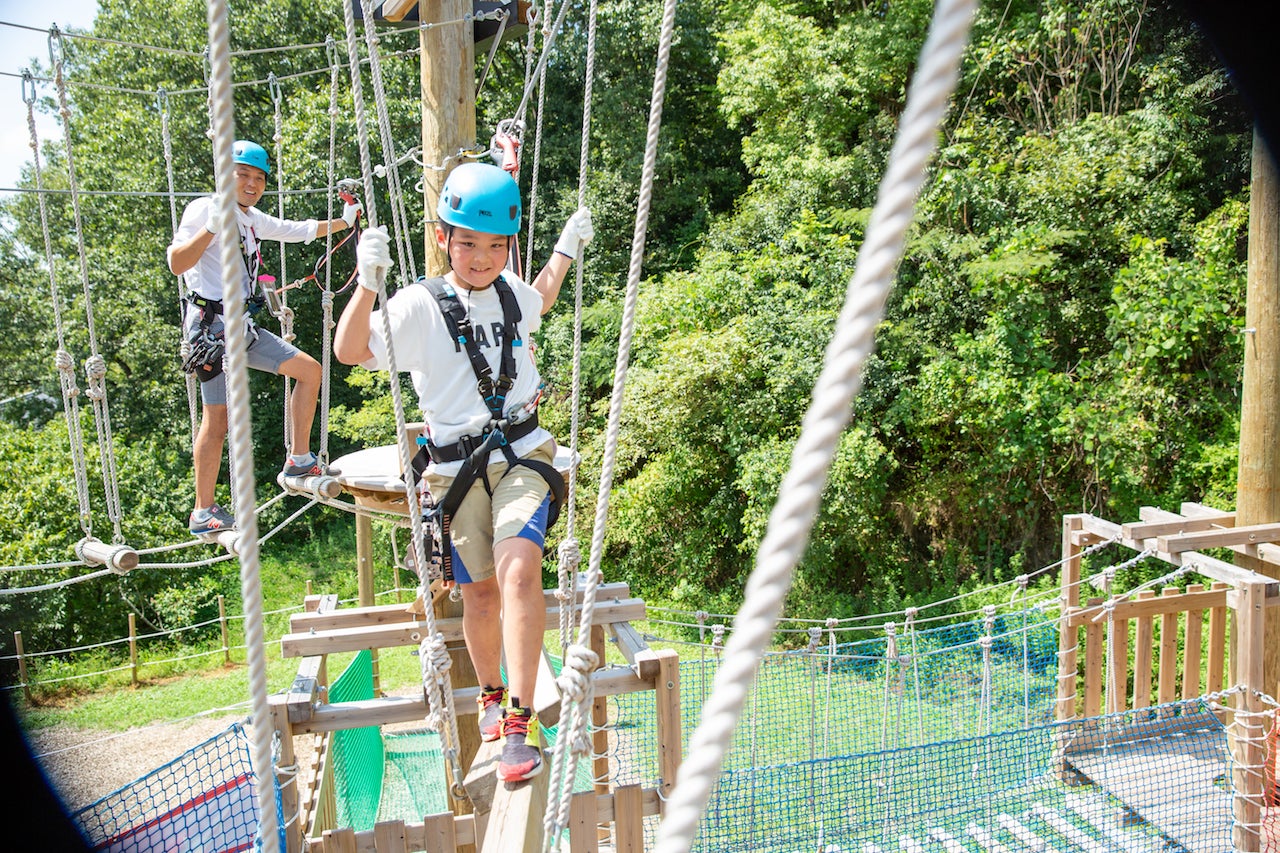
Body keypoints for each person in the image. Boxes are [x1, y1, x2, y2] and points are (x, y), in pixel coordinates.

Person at [334, 162, 593, 782]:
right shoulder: (420, 305)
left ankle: (519, 723)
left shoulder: (510, 293)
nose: (482, 258)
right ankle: (490, 692)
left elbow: (542, 297)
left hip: (524, 452)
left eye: (497, 246)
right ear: (443, 237)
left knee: (519, 569)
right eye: (469, 243)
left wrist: (564, 248)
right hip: (454, 468)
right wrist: (366, 284)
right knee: (477, 593)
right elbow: (349, 350)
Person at [168, 140, 361, 536]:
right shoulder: (204, 209)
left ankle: (299, 458)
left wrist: (344, 222)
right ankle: (202, 510)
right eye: (243, 175)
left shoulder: (251, 218)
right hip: (211, 330)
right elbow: (177, 262)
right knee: (217, 419)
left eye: (259, 178)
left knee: (309, 370)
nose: (252, 184)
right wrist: (211, 227)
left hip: (242, 327)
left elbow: (296, 230)